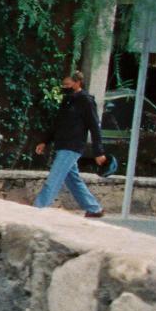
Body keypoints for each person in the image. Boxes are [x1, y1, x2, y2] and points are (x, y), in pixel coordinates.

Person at [34, 69, 108, 219]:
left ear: (77, 83)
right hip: (63, 144)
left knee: (53, 180)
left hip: (73, 146)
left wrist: (98, 151)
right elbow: (58, 123)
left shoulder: (86, 101)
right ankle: (94, 208)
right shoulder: (68, 100)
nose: (64, 86)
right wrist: (45, 141)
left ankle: (37, 210)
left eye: (67, 84)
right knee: (72, 180)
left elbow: (94, 126)